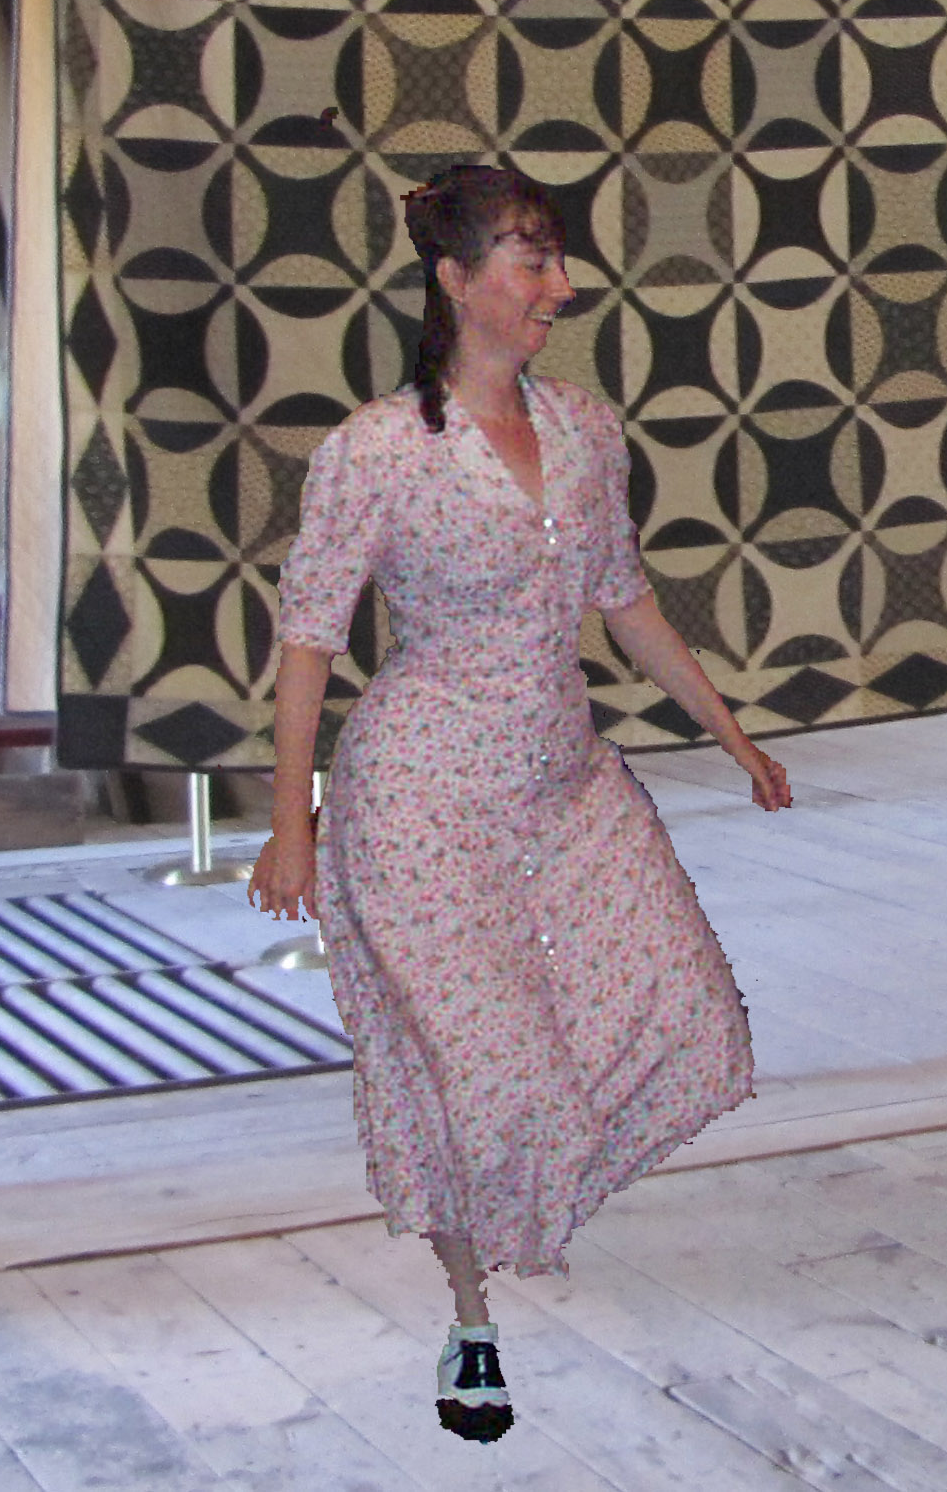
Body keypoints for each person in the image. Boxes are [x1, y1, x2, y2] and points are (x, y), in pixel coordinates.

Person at [246, 164, 791, 1445]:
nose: (561, 284)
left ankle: (523, 1201)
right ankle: (471, 1314)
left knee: (694, 1012)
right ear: (454, 281)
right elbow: (311, 642)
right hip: (420, 799)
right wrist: (290, 820)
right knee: (476, 1083)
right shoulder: (376, 451)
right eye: (531, 261)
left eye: (557, 259)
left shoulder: (591, 429)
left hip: (565, 782)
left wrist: (729, 731)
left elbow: (625, 598)